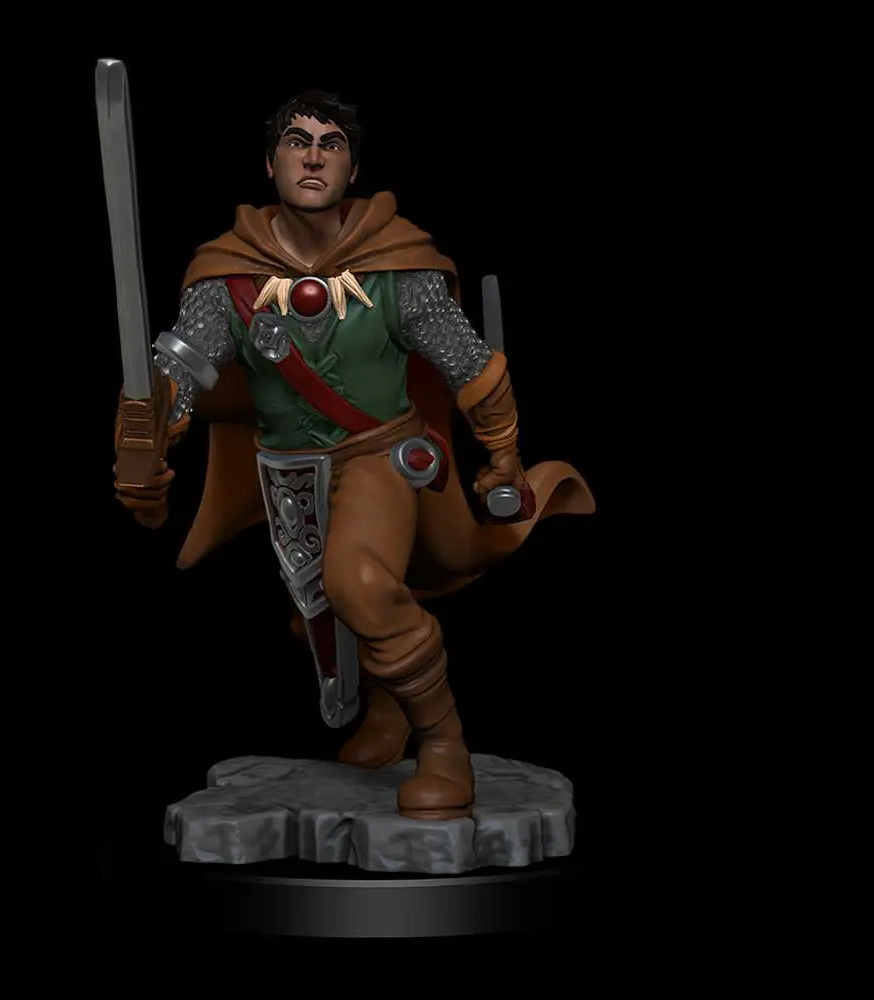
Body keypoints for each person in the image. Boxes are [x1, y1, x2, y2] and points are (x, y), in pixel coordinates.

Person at [113, 90, 595, 821]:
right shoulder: (229, 276)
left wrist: (502, 455)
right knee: (323, 617)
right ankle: (388, 710)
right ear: (270, 162)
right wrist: (148, 434)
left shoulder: (395, 268)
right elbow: (182, 371)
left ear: (353, 167)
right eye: (297, 141)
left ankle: (444, 746)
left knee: (360, 583)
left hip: (380, 455)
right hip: (285, 474)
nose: (313, 156)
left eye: (330, 143)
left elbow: (469, 367)